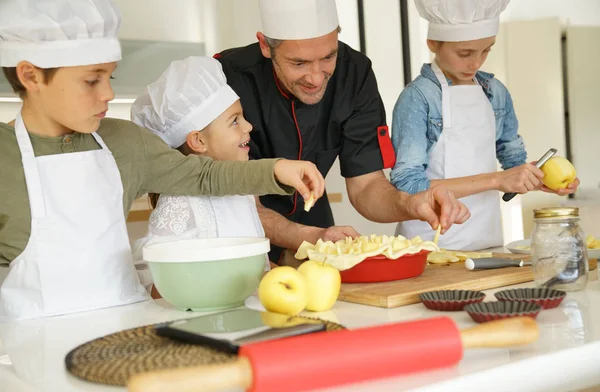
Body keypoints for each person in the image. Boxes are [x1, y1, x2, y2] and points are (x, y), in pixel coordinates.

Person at [0, 0, 325, 320]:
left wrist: (277, 169)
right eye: (91, 80)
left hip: (125, 329)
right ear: (31, 76)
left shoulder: (124, 142)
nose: (108, 95)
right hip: (30, 344)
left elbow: (203, 177)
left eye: (109, 78)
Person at [215, 0, 470, 264]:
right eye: (299, 63)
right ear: (266, 46)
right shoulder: (226, 77)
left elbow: (367, 186)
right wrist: (309, 237)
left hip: (316, 226)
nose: (315, 78)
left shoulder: (354, 73)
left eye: (328, 57)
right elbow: (237, 201)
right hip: (239, 236)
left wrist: (410, 204)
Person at [391, 0, 580, 251]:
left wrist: (537, 177)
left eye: (486, 50)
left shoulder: (495, 93)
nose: (476, 63)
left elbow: (513, 163)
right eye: (465, 53)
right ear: (433, 43)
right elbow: (408, 185)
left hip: (486, 240)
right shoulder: (418, 98)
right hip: (427, 244)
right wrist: (498, 180)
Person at [130, 56, 273, 293]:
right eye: (235, 121)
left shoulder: (242, 194)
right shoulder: (180, 203)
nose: (248, 126)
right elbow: (159, 287)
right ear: (198, 140)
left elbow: (256, 269)